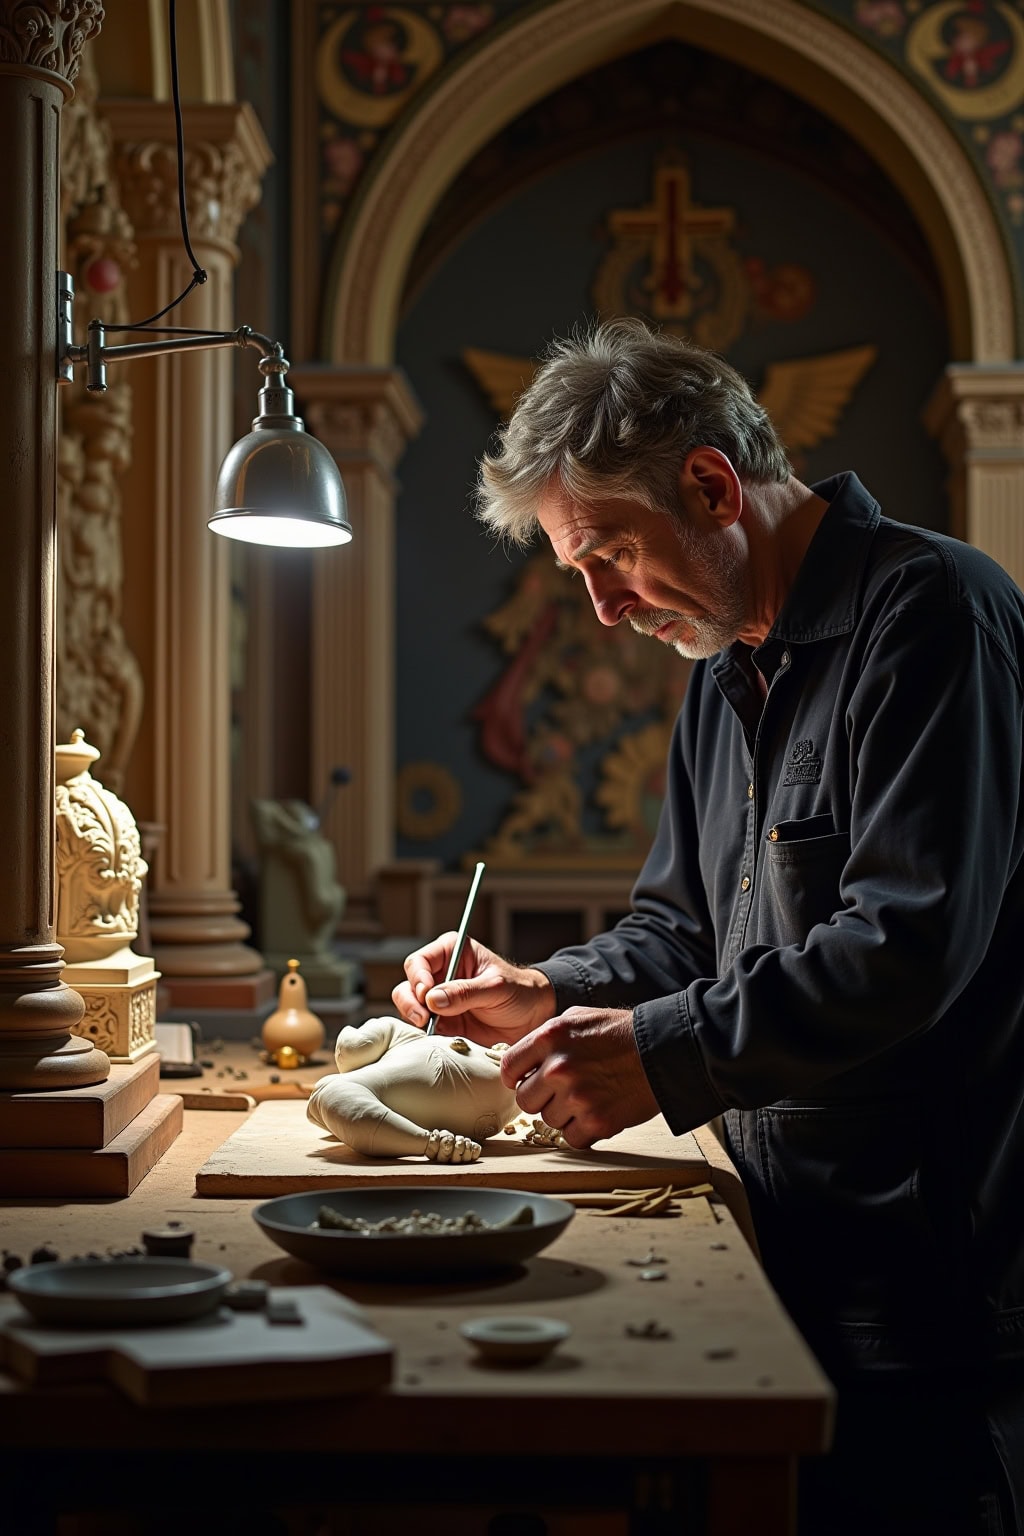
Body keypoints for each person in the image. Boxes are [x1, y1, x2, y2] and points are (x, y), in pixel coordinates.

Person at [393, 317, 1024, 1535]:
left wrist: (661, 1056)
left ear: (709, 483)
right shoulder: (723, 670)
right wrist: (543, 988)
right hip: (779, 1252)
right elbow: (680, 933)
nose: (602, 610)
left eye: (609, 556)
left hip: (924, 1296)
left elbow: (909, 948)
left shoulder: (935, 613)